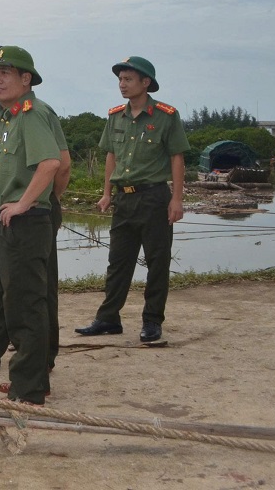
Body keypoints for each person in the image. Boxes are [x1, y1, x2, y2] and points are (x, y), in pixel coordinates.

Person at [0, 46, 70, 374]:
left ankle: (33, 372)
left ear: (26, 78)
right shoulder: (6, 114)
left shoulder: (32, 113)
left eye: (1, 73)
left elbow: (57, 164)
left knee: (28, 299)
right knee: (10, 292)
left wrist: (36, 204)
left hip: (30, 215)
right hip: (11, 217)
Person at [76, 57, 189, 343]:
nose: (122, 85)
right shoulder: (116, 116)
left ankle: (152, 322)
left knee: (157, 262)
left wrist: (177, 199)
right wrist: (106, 194)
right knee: (118, 262)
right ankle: (108, 319)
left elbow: (177, 158)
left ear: (146, 82)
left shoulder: (166, 115)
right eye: (120, 80)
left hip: (154, 198)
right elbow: (111, 156)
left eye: (128, 80)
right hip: (124, 201)